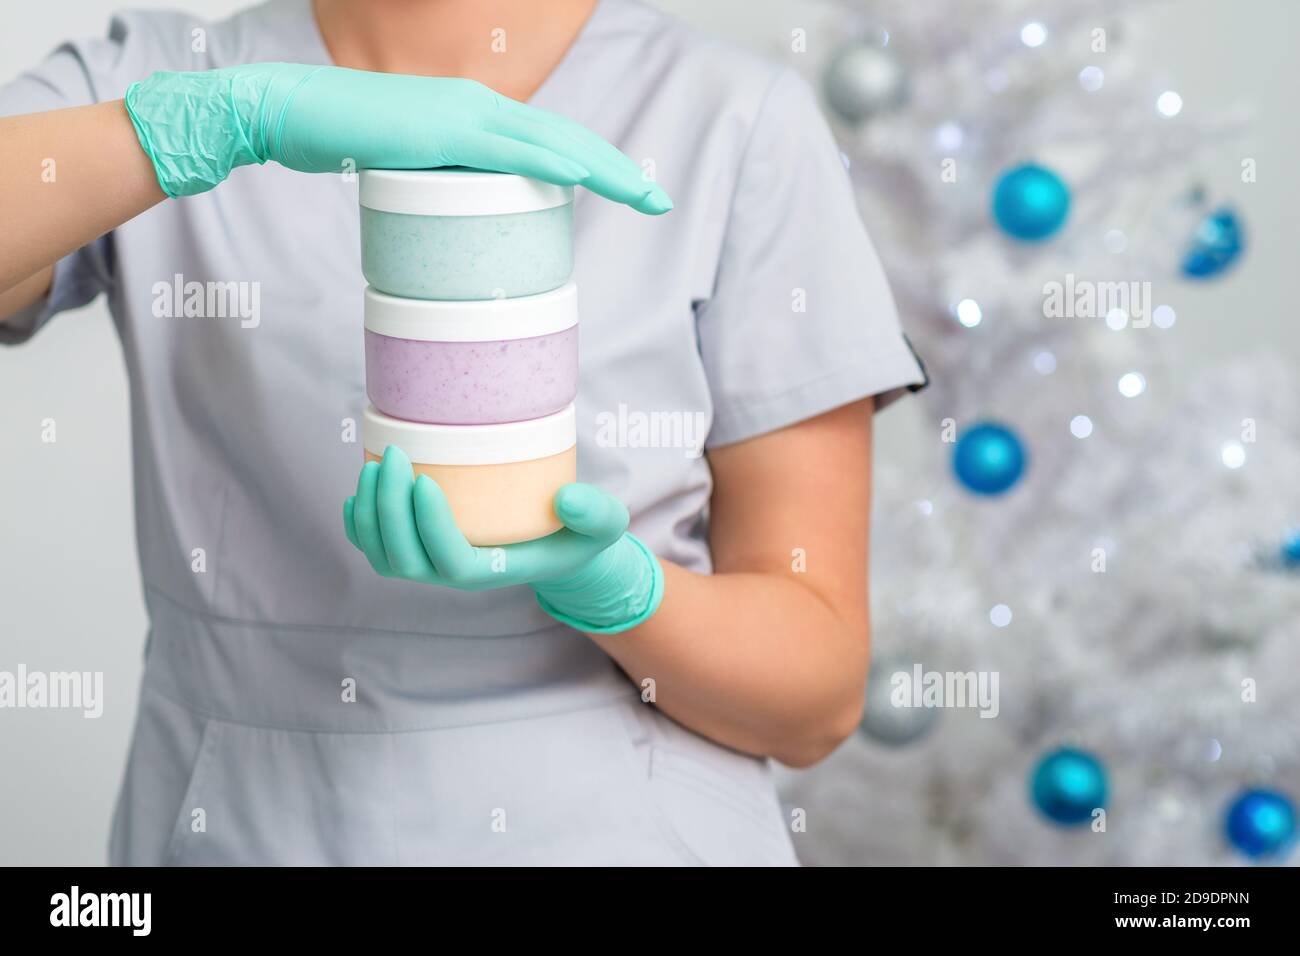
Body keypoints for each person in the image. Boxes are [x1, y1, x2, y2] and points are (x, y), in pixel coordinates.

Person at [0, 0, 926, 865]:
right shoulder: (158, 79)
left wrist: (620, 592)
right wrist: (211, 126)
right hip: (239, 831)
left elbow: (816, 699)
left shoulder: (728, 117)